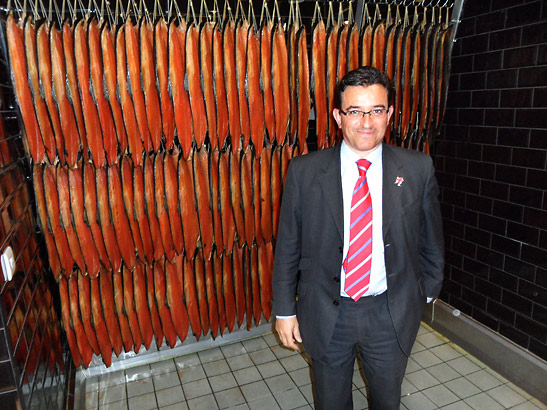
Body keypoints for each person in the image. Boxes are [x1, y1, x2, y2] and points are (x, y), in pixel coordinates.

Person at [272, 66, 444, 410]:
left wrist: (422, 297)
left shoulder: (417, 168)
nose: (367, 122)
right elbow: (288, 245)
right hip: (325, 310)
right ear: (338, 116)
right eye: (355, 111)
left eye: (377, 110)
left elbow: (431, 241)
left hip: (390, 312)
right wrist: (284, 310)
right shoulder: (305, 172)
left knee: (386, 400)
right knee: (331, 402)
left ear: (390, 113)